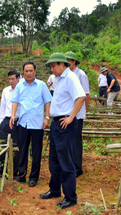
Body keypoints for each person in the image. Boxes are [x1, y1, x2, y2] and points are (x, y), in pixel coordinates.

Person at [40, 53, 85, 209]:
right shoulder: (58, 79)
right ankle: (54, 190)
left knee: (66, 161)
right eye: (50, 66)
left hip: (65, 123)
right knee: (54, 160)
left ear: (62, 64)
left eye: (53, 65)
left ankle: (70, 197)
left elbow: (81, 97)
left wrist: (71, 117)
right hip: (56, 124)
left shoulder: (71, 78)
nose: (52, 69)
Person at [10, 62, 52, 187]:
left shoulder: (41, 85)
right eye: (26, 71)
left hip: (37, 124)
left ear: (35, 71)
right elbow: (15, 102)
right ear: (23, 73)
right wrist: (13, 116)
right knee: (22, 150)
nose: (28, 73)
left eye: (31, 71)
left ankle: (34, 177)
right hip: (23, 123)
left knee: (36, 151)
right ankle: (21, 175)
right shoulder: (19, 86)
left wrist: (47, 118)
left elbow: (48, 101)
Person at [65, 51, 90, 178]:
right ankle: (71, 166)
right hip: (68, 113)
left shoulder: (81, 75)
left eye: (68, 60)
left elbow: (86, 94)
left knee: (76, 141)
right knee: (69, 140)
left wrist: (82, 110)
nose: (67, 63)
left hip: (77, 114)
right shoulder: (67, 75)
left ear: (74, 61)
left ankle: (77, 168)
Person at [0, 70, 21, 178]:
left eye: (13, 79)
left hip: (18, 121)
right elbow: (2, 107)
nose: (11, 81)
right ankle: (2, 172)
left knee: (16, 148)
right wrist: (1, 122)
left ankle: (15, 173)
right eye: (9, 79)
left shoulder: (22, 90)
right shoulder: (5, 91)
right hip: (6, 121)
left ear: (18, 78)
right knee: (3, 147)